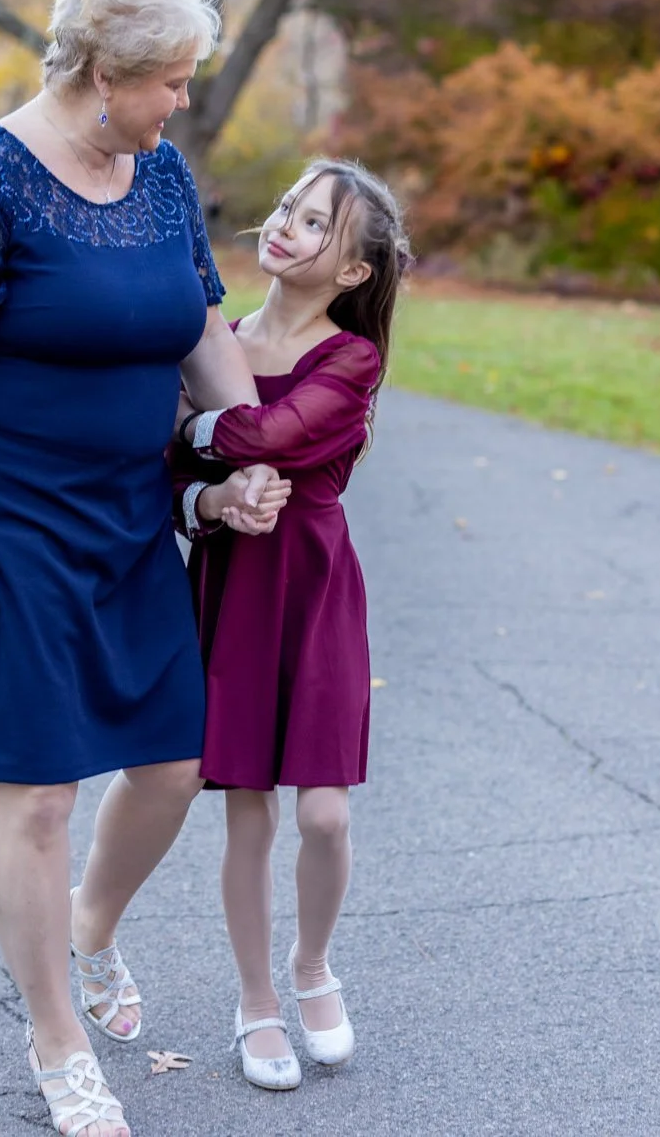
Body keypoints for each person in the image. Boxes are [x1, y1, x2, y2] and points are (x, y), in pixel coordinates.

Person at [0, 0, 286, 1137]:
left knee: (171, 763)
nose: (178, 105)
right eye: (166, 80)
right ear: (101, 70)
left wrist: (250, 446)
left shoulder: (157, 177)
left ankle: (87, 927)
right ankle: (55, 1035)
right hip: (7, 525)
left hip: (127, 512)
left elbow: (202, 334)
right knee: (42, 797)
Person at [172, 159, 413, 1091]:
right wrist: (212, 488)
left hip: (311, 587)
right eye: (286, 210)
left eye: (315, 226)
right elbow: (170, 464)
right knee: (247, 812)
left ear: (352, 272)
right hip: (237, 581)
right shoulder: (222, 337)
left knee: (322, 810)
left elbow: (269, 435)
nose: (284, 228)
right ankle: (254, 1000)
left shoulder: (350, 359)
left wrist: (193, 428)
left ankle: (312, 967)